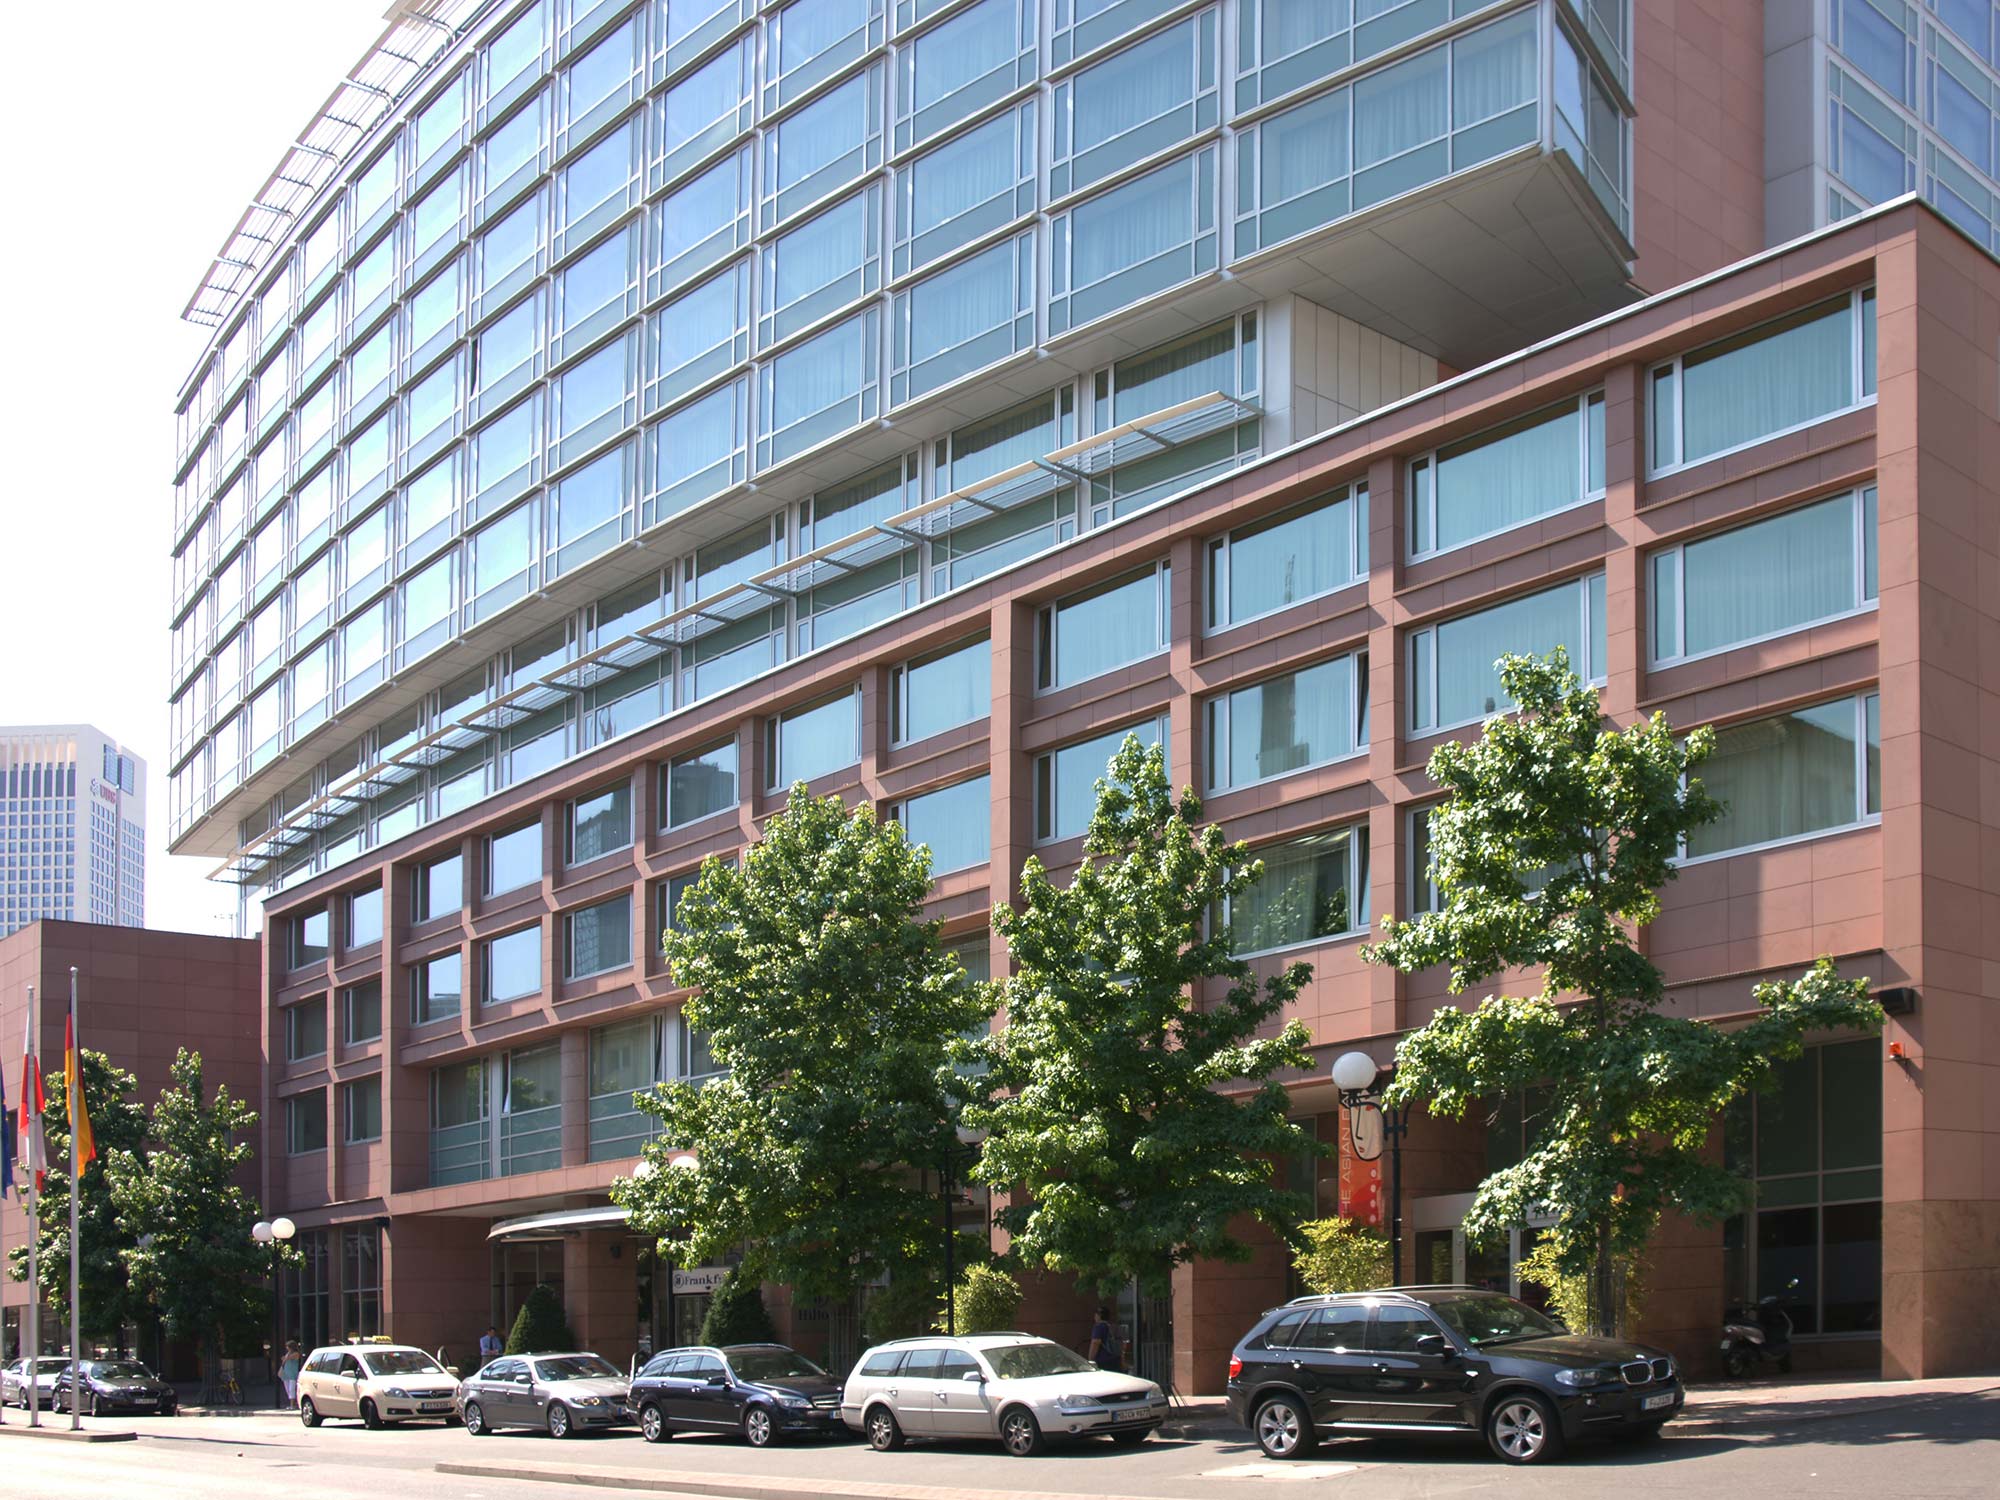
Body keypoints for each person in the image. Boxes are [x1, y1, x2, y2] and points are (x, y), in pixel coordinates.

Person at [1087, 1305, 1123, 1373]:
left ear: (1099, 1315)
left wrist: (1090, 1360)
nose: (1094, 1316)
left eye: (1096, 1314)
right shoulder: (1113, 1326)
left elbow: (1095, 1343)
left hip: (1103, 1361)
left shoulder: (1099, 1326)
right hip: (1115, 1359)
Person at [278, 1340, 303, 1409]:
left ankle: (292, 1405)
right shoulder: (288, 1353)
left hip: (292, 1373)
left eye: (288, 1346)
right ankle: (293, 1403)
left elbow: (287, 1358)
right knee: (288, 1389)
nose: (287, 1348)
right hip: (286, 1373)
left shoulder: (296, 1353)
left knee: (292, 1389)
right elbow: (284, 1361)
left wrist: (286, 1357)